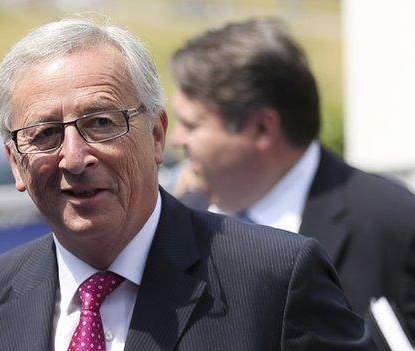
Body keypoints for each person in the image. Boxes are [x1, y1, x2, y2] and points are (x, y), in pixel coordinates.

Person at [0, 18, 374, 350]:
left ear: (157, 136)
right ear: (16, 163)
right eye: (45, 135)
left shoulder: (275, 282)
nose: (74, 158)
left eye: (100, 123)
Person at [170, 17, 415, 337]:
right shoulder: (181, 220)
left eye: (191, 125)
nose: (175, 140)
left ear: (261, 128)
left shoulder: (391, 222)